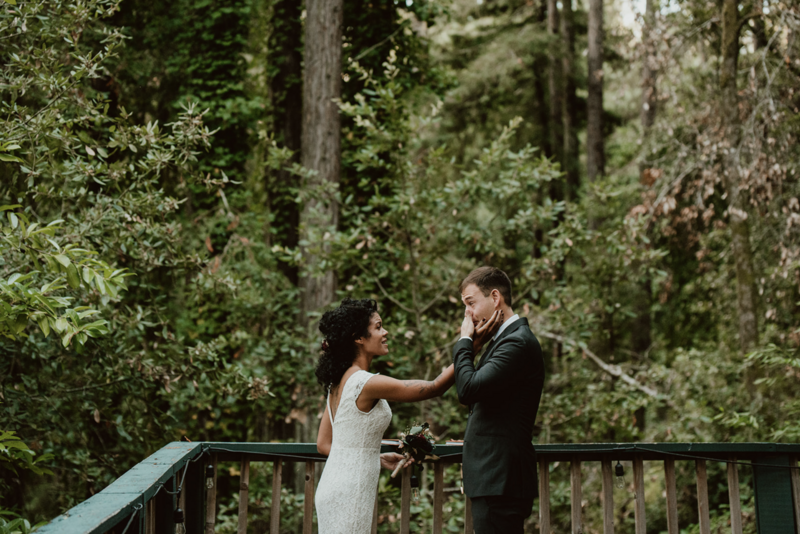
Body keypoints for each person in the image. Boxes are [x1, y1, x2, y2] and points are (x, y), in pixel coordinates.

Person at [314, 298, 499, 534]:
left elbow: (325, 445)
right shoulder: (364, 382)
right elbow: (434, 387)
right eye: (378, 327)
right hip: (351, 491)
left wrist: (373, 458)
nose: (385, 332)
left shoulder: (339, 381)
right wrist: (471, 346)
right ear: (358, 337)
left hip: (332, 486)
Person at [453, 266, 546, 534]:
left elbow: (468, 390)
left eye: (471, 303)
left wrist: (465, 341)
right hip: (493, 479)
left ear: (495, 298)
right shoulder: (503, 341)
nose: (467, 314)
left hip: (500, 479)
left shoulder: (516, 343)